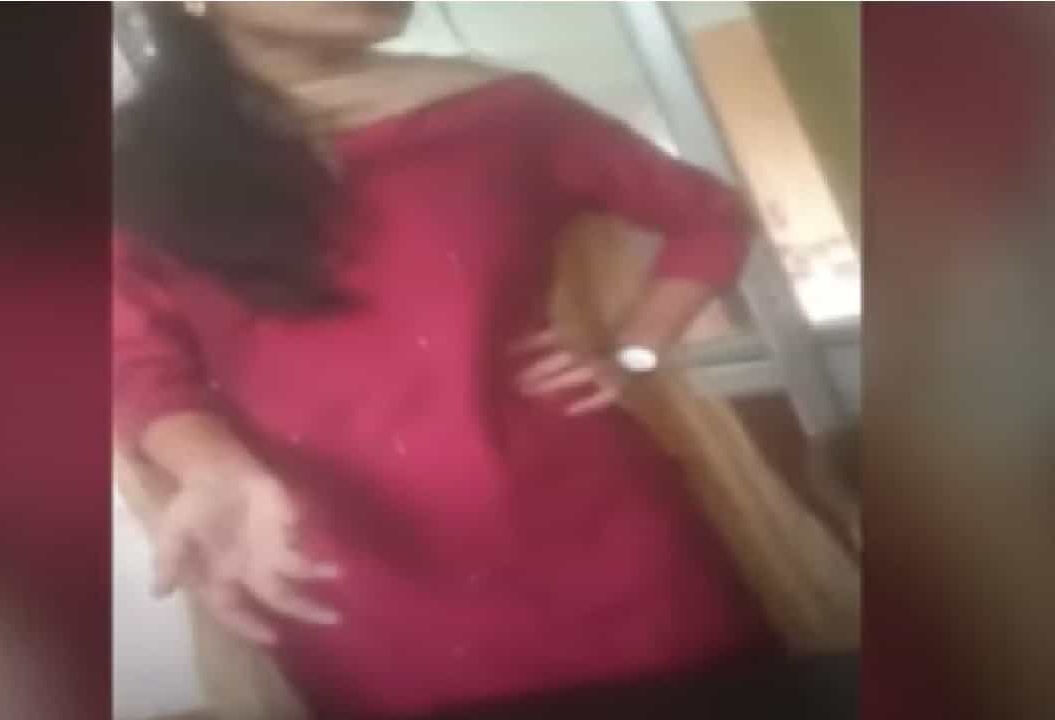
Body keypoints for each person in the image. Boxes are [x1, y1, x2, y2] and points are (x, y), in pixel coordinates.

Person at [113, 2, 774, 716]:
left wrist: (634, 348)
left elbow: (709, 217)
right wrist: (211, 469)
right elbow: (135, 361)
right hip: (341, 567)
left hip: (600, 536)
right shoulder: (136, 168)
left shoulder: (504, 114)